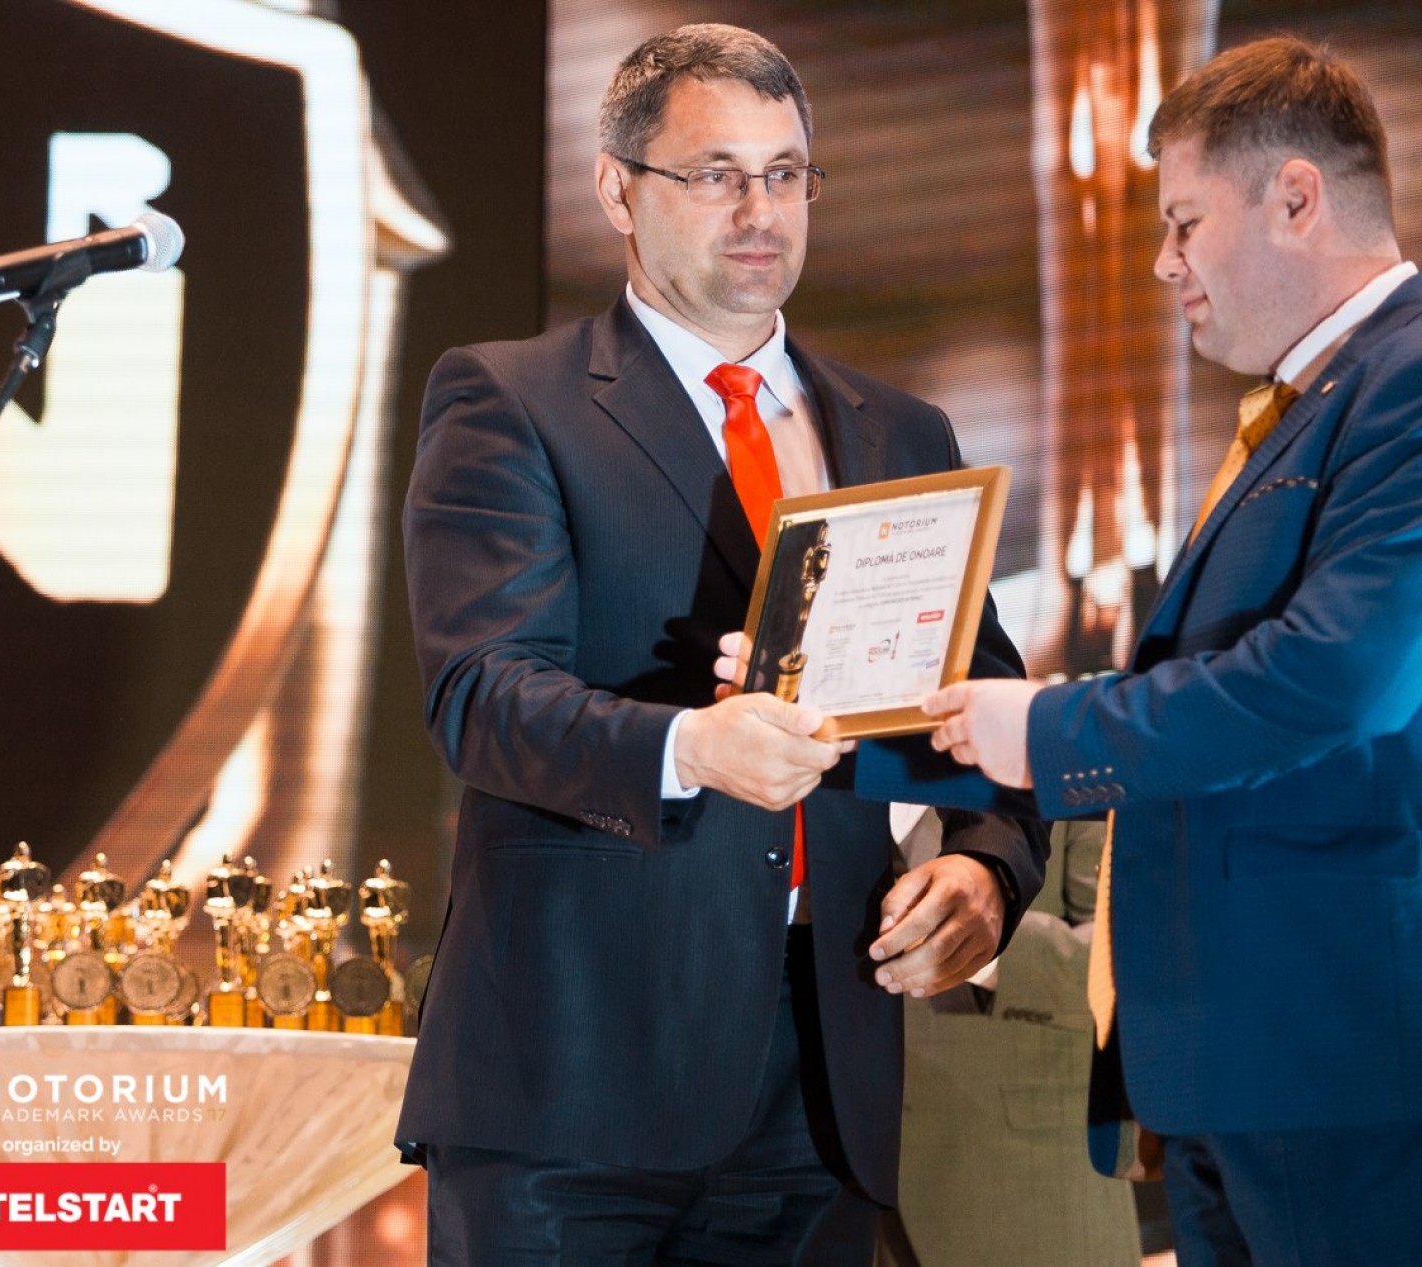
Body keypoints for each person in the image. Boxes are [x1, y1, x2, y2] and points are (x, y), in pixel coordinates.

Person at [919, 35, 1422, 1266]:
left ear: (1294, 197)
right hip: (1259, 1060)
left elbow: (1331, 679)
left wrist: (1050, 728)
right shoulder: (1319, 404)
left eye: (1183, 221)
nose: (1162, 261)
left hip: (1367, 1056)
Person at [395, 24, 1046, 1266]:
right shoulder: (511, 399)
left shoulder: (901, 431)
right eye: (714, 174)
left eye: (786, 174)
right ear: (616, 190)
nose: (760, 211)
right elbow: (482, 694)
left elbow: (984, 705)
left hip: (822, 1079)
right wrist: (690, 747)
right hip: (570, 1083)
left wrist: (987, 869)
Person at [880, 813, 1142, 1267]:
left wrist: (976, 944)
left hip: (1029, 1188)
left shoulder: (1072, 776)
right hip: (840, 1177)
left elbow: (1132, 959)